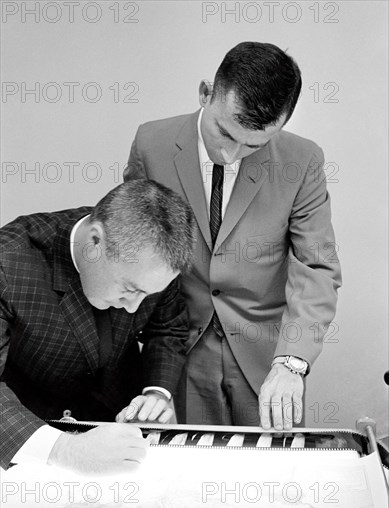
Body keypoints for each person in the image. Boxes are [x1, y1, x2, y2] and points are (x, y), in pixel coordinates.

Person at [124, 42, 342, 430]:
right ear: (206, 92)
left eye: (253, 145)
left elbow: (317, 266)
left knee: (272, 478)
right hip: (180, 349)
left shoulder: (303, 160)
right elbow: (134, 247)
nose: (231, 154)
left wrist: (292, 362)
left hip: (268, 357)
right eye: (224, 132)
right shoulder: (150, 144)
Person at [0, 179, 196, 473]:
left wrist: (156, 393)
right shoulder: (9, 261)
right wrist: (64, 449)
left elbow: (167, 329)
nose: (133, 307)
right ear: (94, 242)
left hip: (118, 431)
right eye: (129, 289)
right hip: (29, 437)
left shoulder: (153, 261)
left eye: (147, 295)